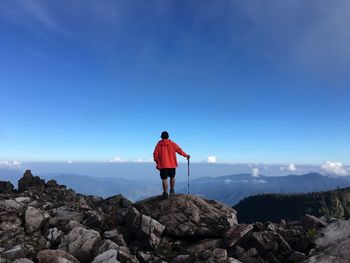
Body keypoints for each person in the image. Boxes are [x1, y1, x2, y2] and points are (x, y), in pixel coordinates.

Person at [153, 131, 190, 199]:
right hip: (172, 164)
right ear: (168, 136)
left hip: (163, 165)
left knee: (164, 179)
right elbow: (179, 150)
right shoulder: (172, 144)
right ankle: (172, 191)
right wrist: (186, 155)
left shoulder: (158, 145)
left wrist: (158, 162)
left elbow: (155, 155)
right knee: (172, 177)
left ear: (161, 137)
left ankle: (165, 193)